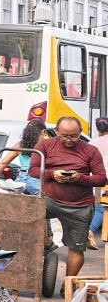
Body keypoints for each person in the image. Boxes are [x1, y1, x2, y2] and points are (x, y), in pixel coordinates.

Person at [30, 116, 106, 278]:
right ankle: (47, 242)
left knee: (76, 248)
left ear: (81, 132)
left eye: (74, 136)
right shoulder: (44, 145)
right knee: (30, 215)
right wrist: (52, 174)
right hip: (50, 200)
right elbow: (33, 170)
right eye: (64, 135)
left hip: (80, 206)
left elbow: (101, 179)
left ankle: (68, 284)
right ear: (56, 132)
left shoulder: (90, 150)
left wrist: (79, 178)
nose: (69, 139)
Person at [0, 119, 48, 195]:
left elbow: (4, 162)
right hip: (36, 178)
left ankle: (11, 185)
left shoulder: (20, 145)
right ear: (43, 131)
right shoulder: (45, 145)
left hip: (21, 178)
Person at [87, 117, 108, 250]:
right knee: (101, 207)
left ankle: (90, 230)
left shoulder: (92, 143)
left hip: (95, 177)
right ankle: (90, 230)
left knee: (99, 206)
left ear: (97, 129)